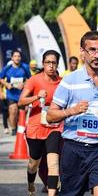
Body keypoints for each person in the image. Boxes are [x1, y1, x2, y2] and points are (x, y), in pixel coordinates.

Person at [46, 31, 98, 196]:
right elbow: (50, 115)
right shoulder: (70, 81)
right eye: (92, 50)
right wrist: (72, 110)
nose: (97, 55)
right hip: (74, 149)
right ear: (82, 52)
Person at [18, 50, 63, 196]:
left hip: (55, 127)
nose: (51, 66)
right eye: (47, 62)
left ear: (57, 64)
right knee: (33, 163)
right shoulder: (34, 80)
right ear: (43, 64)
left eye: (53, 62)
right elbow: (20, 102)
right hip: (36, 128)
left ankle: (52, 193)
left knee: (53, 163)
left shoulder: (62, 83)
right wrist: (37, 96)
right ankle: (31, 184)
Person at [0, 50, 31, 135]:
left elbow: (30, 79)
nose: (17, 58)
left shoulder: (25, 67)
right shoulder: (7, 68)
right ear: (12, 58)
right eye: (15, 56)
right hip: (12, 94)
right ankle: (13, 129)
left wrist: (24, 84)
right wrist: (7, 84)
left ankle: (21, 127)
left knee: (22, 111)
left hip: (22, 94)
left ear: (20, 58)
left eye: (18, 56)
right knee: (13, 110)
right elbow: (1, 78)